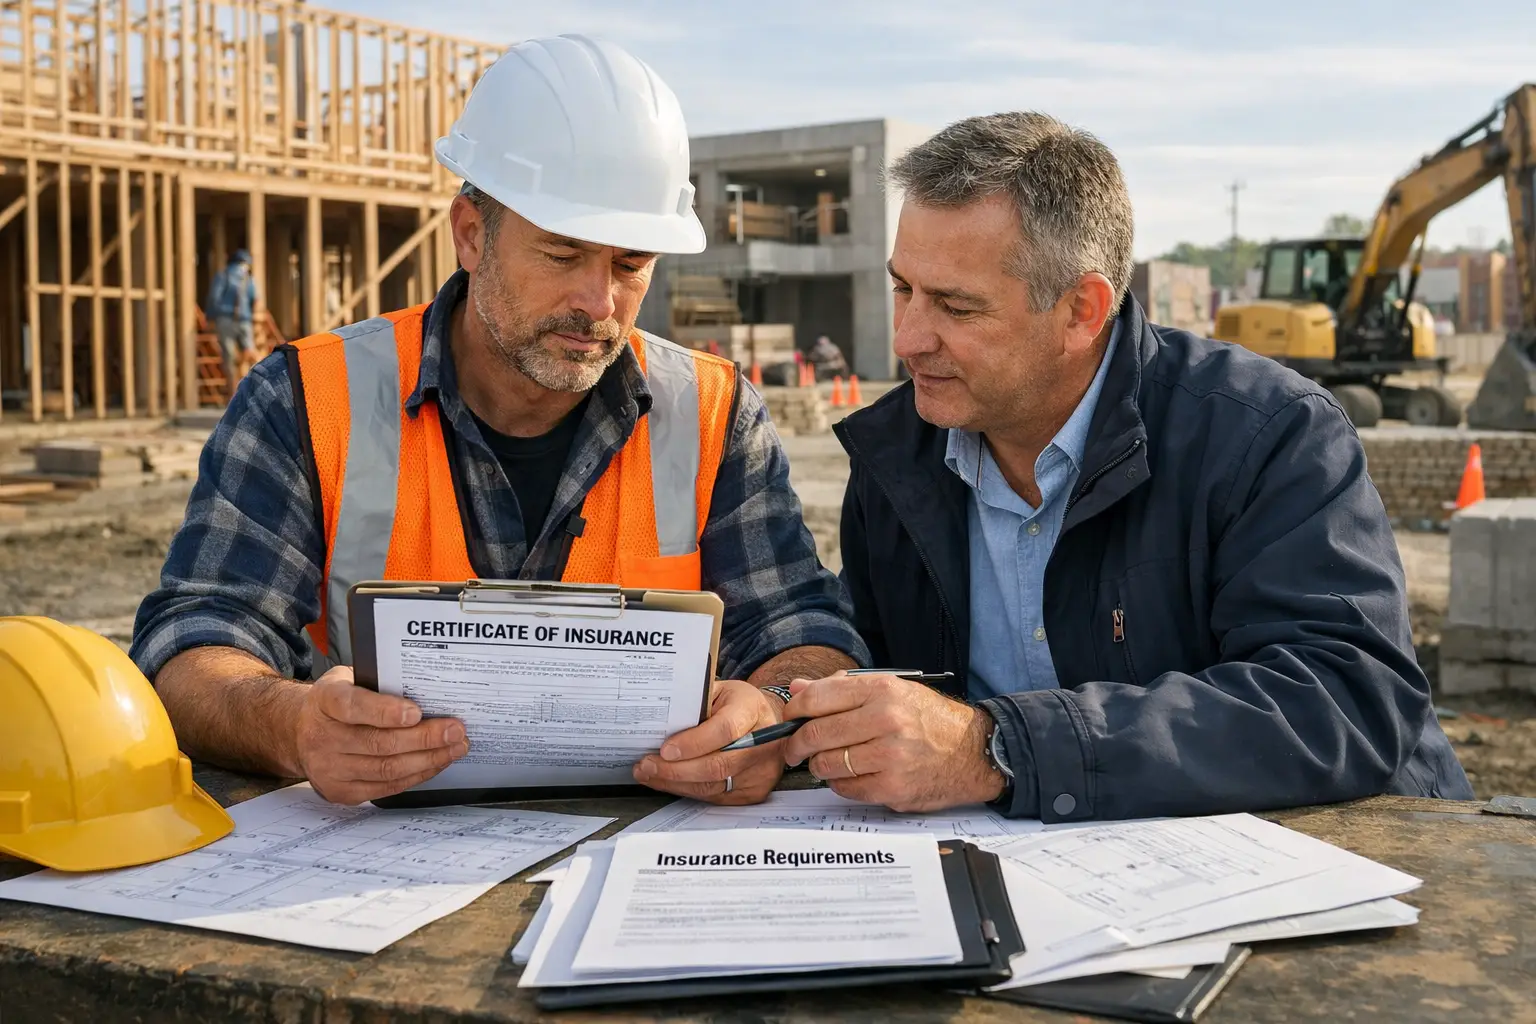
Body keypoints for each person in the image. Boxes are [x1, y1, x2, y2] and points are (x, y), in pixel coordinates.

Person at [132, 35, 865, 808]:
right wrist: (294, 726)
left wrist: (773, 715)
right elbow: (192, 642)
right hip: (369, 864)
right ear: (471, 235)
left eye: (630, 264)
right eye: (562, 253)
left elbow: (803, 628)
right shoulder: (310, 398)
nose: (599, 301)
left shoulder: (712, 413)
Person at [780, 112, 1472, 821]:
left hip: (1349, 858)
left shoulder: (1267, 433)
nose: (908, 338)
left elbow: (1345, 700)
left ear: (1083, 309)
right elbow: (874, 653)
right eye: (904, 289)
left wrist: (998, 749)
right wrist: (785, 697)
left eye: (956, 306)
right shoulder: (900, 452)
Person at [205, 248, 259, 398]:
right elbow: (255, 299)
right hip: (244, 321)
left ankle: (233, 395)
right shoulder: (249, 278)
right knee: (250, 352)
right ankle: (256, 387)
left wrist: (210, 318)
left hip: (225, 320)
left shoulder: (223, 275)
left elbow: (214, 298)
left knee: (229, 359)